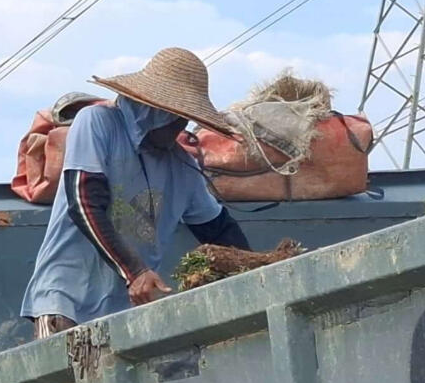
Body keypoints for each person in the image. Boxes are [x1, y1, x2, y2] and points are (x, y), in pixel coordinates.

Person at [18, 47, 256, 337]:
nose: (181, 126)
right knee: (70, 376)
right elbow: (84, 203)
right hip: (65, 300)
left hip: (123, 312)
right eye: (177, 117)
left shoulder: (181, 165)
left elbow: (218, 229)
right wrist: (136, 271)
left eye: (186, 118)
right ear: (154, 111)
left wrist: (256, 270)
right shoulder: (97, 123)